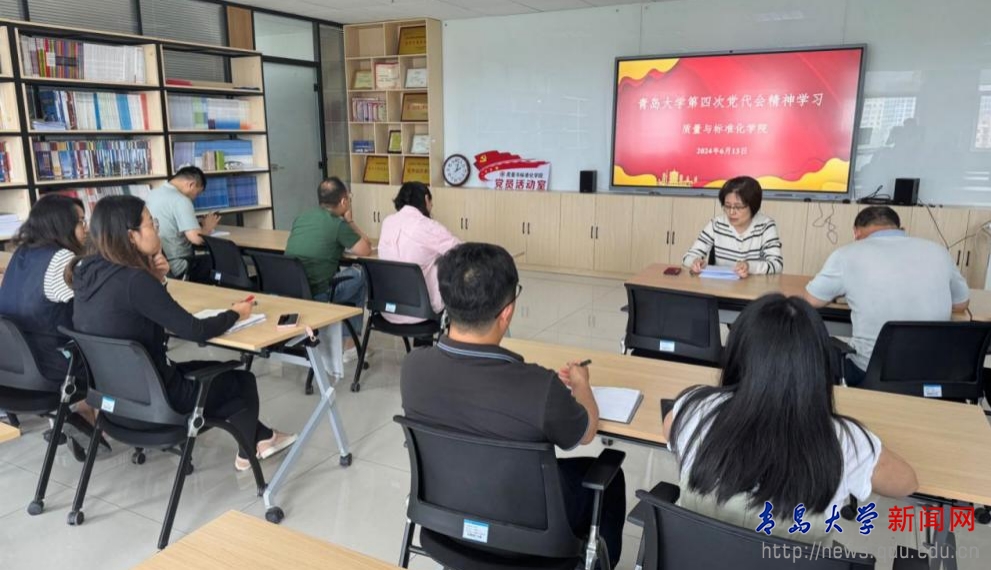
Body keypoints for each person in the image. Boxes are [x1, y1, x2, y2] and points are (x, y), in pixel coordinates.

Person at [400, 243, 626, 567]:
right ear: (507, 312)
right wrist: (581, 385)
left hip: (445, 525)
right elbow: (587, 431)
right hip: (532, 543)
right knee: (610, 480)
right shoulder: (539, 387)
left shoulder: (413, 367)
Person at [665, 294, 918, 547]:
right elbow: (906, 483)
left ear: (737, 353)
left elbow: (670, 432)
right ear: (816, 365)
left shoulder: (694, 408)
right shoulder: (845, 441)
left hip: (697, 558)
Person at [69, 195, 296, 471]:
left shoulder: (86, 273)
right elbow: (195, 330)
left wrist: (157, 280)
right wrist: (236, 313)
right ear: (131, 236)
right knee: (241, 382)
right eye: (151, 223)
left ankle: (263, 437)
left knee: (207, 374)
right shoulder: (134, 280)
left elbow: (136, 313)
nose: (156, 229)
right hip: (157, 405)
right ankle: (249, 454)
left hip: (114, 404)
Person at [804, 206, 969, 386]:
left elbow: (811, 300)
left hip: (870, 373)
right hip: (933, 375)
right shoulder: (939, 251)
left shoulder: (847, 254)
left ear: (856, 232)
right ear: (899, 228)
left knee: (810, 355)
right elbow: (961, 304)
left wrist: (845, 294)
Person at [0, 194, 103, 446]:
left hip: (12, 366)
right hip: (48, 367)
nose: (85, 228)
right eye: (80, 221)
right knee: (111, 351)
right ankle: (88, 417)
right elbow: (95, 303)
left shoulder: (22, 253)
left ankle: (75, 418)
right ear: (62, 225)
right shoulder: (60, 259)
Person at [285, 177, 372, 357]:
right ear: (343, 201)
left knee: (347, 274)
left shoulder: (302, 218)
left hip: (292, 291)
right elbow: (366, 249)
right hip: (319, 294)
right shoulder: (338, 224)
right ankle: (350, 344)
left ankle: (340, 335)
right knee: (362, 273)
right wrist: (350, 222)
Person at [378, 182, 461, 329]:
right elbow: (461, 251)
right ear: (426, 199)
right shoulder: (427, 226)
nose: (432, 206)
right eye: (431, 201)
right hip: (422, 312)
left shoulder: (387, 222)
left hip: (387, 310)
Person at [683, 176, 783, 278]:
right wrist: (695, 262)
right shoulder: (716, 224)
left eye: (738, 207)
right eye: (727, 206)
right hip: (720, 285)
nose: (731, 212)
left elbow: (777, 264)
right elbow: (688, 257)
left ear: (753, 206)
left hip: (753, 286)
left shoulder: (765, 226)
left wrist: (749, 266)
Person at [145, 166, 219, 283]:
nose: (195, 198)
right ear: (191, 184)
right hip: (180, 265)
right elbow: (196, 239)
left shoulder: (152, 194)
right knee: (219, 261)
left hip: (158, 264)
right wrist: (207, 227)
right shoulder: (181, 200)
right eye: (197, 193)